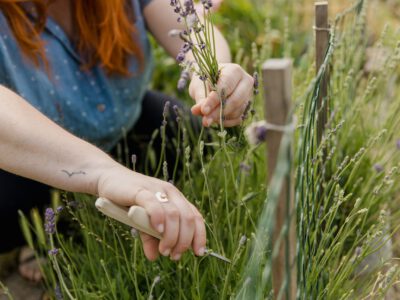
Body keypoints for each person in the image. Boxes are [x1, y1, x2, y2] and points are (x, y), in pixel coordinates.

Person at [0, 0, 254, 282]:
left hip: (123, 125)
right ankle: (41, 237)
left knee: (190, 138)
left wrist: (213, 74)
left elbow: (187, 24)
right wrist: (103, 174)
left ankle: (82, 215)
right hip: (26, 155)